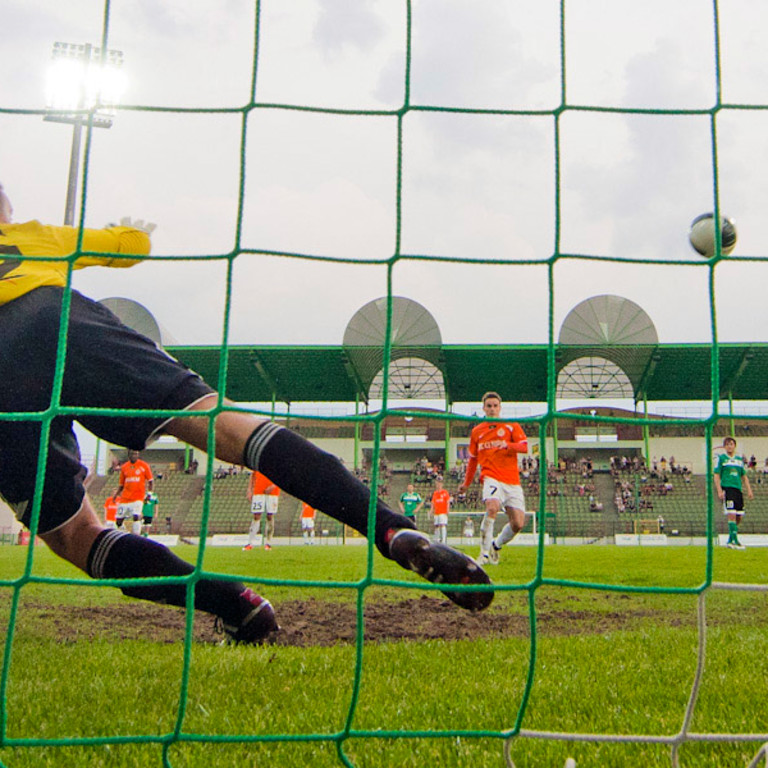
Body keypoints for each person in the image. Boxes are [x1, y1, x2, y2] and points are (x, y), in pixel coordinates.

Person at [0, 182, 491, 646]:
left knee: (74, 534)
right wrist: (133, 234)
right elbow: (127, 246)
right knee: (225, 425)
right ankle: (389, 527)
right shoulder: (30, 236)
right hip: (57, 318)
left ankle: (234, 604)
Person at [458, 391, 528, 566]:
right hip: (491, 477)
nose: (492, 409)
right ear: (483, 408)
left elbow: (524, 447)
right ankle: (483, 555)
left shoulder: (511, 425)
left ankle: (496, 545)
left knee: (518, 523)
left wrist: (507, 445)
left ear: (500, 408)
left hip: (512, 481)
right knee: (492, 507)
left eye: (495, 406)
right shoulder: (477, 431)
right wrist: (466, 484)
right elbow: (473, 460)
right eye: (489, 406)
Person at [714, 436, 754, 550]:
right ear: (724, 447)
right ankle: (735, 541)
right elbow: (716, 475)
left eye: (731, 444)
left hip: (738, 489)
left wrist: (749, 490)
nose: (729, 446)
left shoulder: (739, 460)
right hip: (728, 488)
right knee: (731, 513)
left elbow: (744, 476)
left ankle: (730, 539)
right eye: (727, 444)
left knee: (739, 516)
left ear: (734, 446)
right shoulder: (721, 458)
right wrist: (719, 490)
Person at [115, 450, 154, 536]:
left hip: (138, 497)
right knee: (118, 521)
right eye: (132, 454)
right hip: (125, 498)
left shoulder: (144, 466)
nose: (134, 455)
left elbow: (151, 481)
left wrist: (149, 494)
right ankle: (126, 535)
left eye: (136, 454)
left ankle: (136, 536)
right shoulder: (124, 467)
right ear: (129, 455)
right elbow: (121, 484)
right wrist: (116, 495)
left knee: (136, 516)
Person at [244, 470, 280, 550]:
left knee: (270, 516)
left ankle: (268, 542)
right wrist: (249, 490)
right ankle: (250, 543)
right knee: (256, 515)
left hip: (273, 492)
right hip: (258, 491)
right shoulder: (257, 460)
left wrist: (273, 486)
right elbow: (253, 475)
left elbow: (282, 476)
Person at [430, 476, 451, 544]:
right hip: (436, 512)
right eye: (437, 483)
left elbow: (447, 502)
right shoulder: (435, 493)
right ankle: (437, 539)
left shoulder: (445, 492)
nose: (438, 485)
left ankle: (444, 540)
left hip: (443, 511)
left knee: (442, 525)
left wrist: (447, 510)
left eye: (440, 483)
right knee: (436, 525)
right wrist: (431, 510)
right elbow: (433, 503)